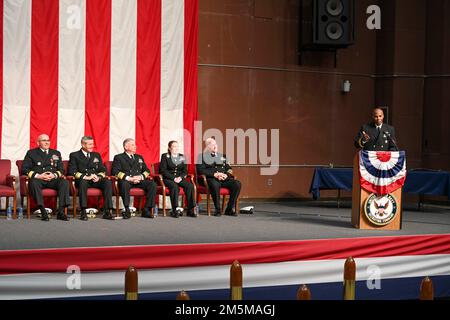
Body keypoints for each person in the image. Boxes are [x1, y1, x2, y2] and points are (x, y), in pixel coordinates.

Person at [22, 134, 70, 221]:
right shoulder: (31, 153)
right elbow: (24, 169)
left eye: (48, 140)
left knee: (64, 182)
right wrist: (39, 176)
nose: (47, 142)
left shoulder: (56, 153)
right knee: (33, 182)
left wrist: (54, 175)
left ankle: (61, 212)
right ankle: (42, 210)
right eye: (44, 140)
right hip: (39, 179)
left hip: (53, 179)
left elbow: (62, 169)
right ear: (38, 142)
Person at [68, 136, 114, 221]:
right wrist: (86, 177)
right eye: (90, 144)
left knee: (107, 182)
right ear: (83, 144)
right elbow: (72, 171)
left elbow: (102, 169)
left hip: (95, 179)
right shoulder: (74, 155)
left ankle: (107, 211)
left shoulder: (96, 155)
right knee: (83, 182)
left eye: (92, 144)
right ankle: (83, 210)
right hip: (83, 179)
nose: (92, 146)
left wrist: (99, 177)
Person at [112, 138, 157, 219]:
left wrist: (140, 177)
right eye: (132, 145)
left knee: (152, 184)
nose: (135, 146)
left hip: (139, 180)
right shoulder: (119, 157)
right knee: (124, 184)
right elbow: (115, 171)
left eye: (135, 144)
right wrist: (130, 178)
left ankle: (146, 209)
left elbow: (146, 170)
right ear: (126, 147)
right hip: (127, 180)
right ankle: (126, 209)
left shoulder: (139, 157)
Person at [196, 138, 241, 217]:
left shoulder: (223, 156)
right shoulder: (202, 156)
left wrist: (226, 175)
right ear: (207, 146)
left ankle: (229, 209)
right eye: (212, 144)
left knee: (237, 184)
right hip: (211, 179)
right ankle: (218, 209)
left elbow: (229, 169)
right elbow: (200, 170)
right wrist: (214, 174)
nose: (215, 146)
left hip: (224, 179)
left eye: (215, 144)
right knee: (214, 184)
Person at [159, 141, 197, 218]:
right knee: (174, 186)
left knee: (190, 186)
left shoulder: (182, 156)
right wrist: (174, 178)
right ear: (169, 148)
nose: (176, 148)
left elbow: (185, 171)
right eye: (174, 146)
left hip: (180, 178)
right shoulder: (165, 156)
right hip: (169, 178)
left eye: (177, 146)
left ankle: (190, 209)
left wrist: (181, 177)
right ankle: (174, 209)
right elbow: (163, 170)